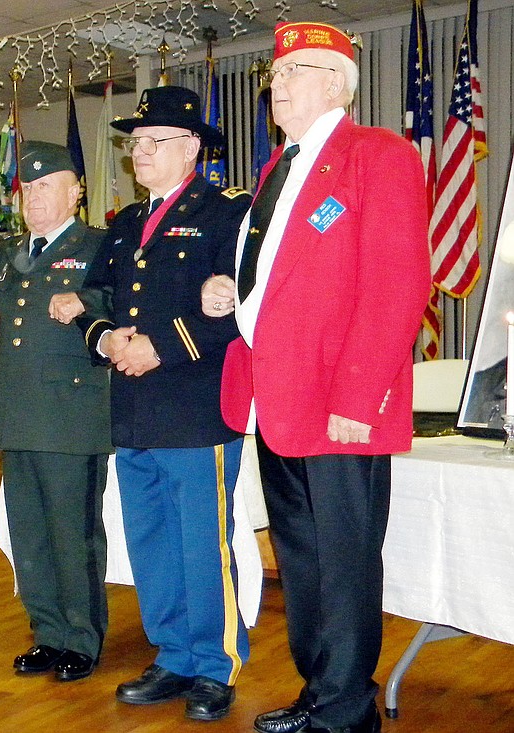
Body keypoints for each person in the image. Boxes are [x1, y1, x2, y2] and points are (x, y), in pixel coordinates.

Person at [200, 22, 430, 733]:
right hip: (278, 398)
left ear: (336, 81)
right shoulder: (277, 170)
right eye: (276, 72)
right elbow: (278, 279)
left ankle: (347, 709)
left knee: (344, 562)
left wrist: (360, 398)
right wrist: (229, 291)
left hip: (339, 402)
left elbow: (397, 285)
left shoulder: (376, 155)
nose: (278, 84)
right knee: (301, 559)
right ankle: (321, 690)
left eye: (295, 70)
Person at [56, 85, 253, 722]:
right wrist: (107, 337)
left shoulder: (228, 213)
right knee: (150, 539)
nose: (138, 152)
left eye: (153, 141)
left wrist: (162, 348)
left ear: (192, 146)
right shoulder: (125, 225)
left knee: (202, 542)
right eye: (134, 143)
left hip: (194, 407)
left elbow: (244, 306)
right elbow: (91, 305)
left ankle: (216, 663)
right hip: (134, 410)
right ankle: (173, 655)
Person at [0, 141, 110, 682]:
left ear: (75, 191)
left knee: (73, 534)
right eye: (27, 190)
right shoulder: (13, 256)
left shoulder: (98, 247)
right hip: (18, 413)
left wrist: (87, 303)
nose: (34, 199)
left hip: (70, 416)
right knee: (30, 533)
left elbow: (122, 300)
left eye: (45, 187)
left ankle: (82, 639)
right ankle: (47, 633)